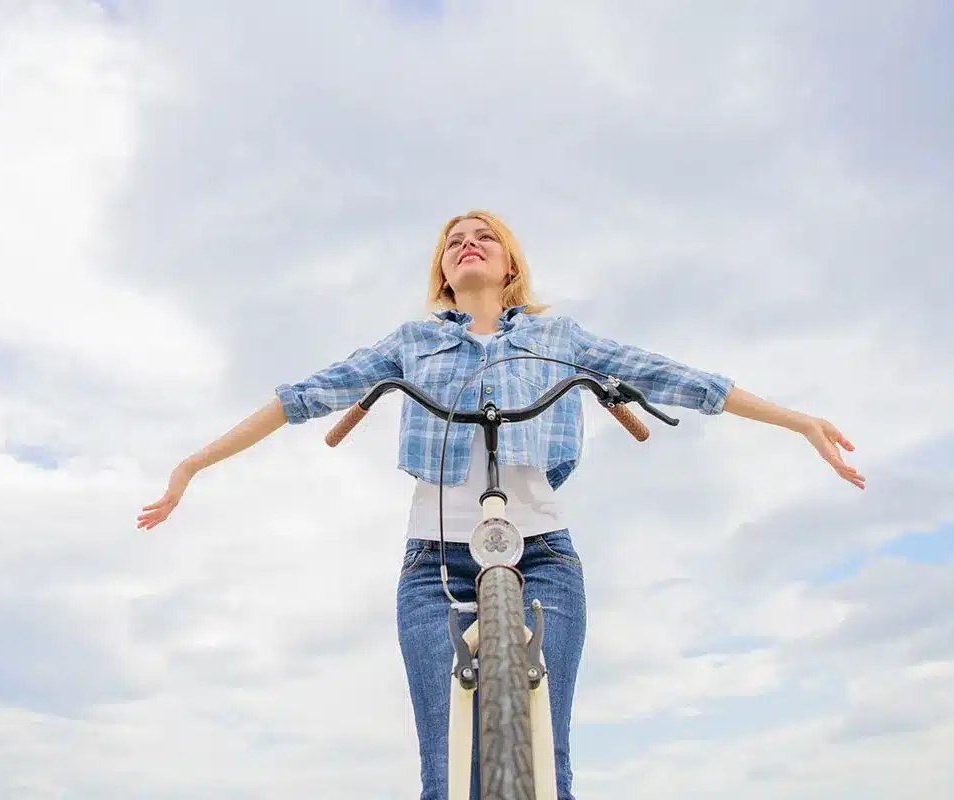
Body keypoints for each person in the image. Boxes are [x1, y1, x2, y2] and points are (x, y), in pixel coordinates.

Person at [136, 210, 865, 799]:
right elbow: (303, 396)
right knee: (446, 774)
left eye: (483, 236)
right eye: (453, 242)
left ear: (508, 264)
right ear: (443, 273)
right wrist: (191, 465)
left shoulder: (558, 336)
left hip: (543, 553)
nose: (468, 245)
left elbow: (671, 376)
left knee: (548, 758)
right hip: (434, 563)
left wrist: (798, 420)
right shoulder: (413, 342)